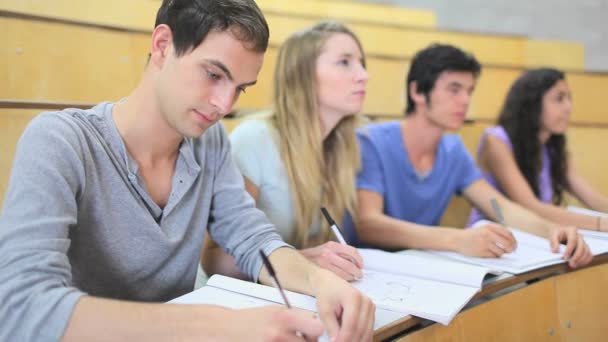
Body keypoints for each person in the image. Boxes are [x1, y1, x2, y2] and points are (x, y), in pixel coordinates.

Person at [0, 1, 374, 341]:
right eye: (213, 74)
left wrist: (318, 280)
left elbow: (251, 236)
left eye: (240, 89)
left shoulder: (210, 144)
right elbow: (21, 307)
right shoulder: (60, 141)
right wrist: (216, 325)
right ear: (162, 46)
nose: (223, 104)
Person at [352, 44, 593, 268]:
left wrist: (552, 230)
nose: (465, 100)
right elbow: (368, 224)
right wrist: (457, 238)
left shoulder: (453, 149)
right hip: (368, 269)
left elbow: (501, 208)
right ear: (417, 91)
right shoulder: (372, 141)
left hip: (418, 267)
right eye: (454, 89)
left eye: (469, 91)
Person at [202, 21, 369, 282]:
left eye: (362, 63)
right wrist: (301, 261)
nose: (363, 75)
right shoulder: (254, 139)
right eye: (345, 62)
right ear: (302, 73)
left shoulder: (343, 146)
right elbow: (213, 259)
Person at [467, 67, 608, 231]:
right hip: (492, 233)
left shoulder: (554, 146)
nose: (568, 107)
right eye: (559, 99)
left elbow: (590, 196)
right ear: (532, 103)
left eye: (569, 98)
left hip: (538, 233)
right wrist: (600, 223)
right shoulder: (496, 140)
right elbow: (529, 206)